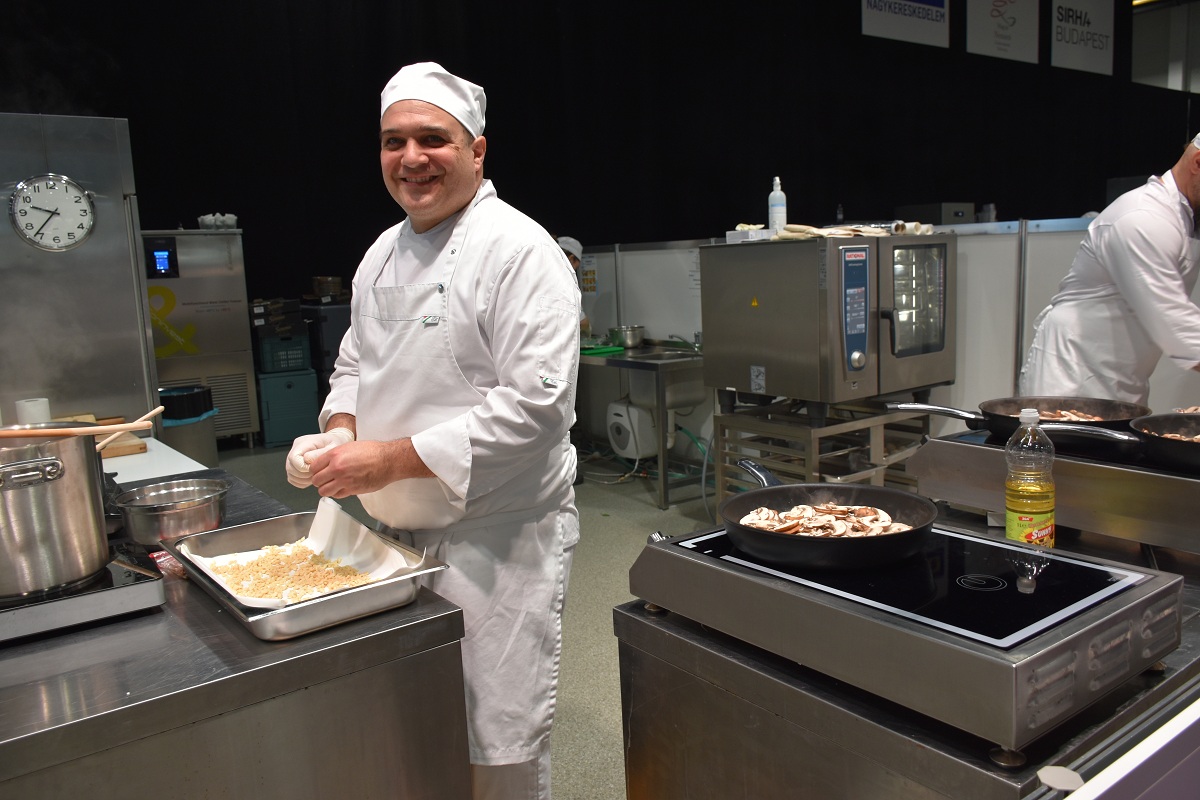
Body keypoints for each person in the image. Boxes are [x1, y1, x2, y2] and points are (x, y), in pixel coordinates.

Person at [284, 62, 581, 800]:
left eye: (432, 139)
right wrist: (340, 431)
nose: (411, 158)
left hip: (495, 540)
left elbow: (536, 410)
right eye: (394, 142)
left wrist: (388, 460)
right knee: (417, 727)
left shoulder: (520, 252)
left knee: (496, 739)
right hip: (394, 539)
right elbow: (355, 363)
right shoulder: (381, 253)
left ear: (476, 151)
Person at [1019, 134, 1200, 405]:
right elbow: (1175, 322)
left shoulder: (1183, 218)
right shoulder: (1142, 218)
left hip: (1124, 380)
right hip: (1071, 379)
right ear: (1197, 162)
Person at [557, 235, 590, 336]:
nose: (575, 270)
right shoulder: (564, 279)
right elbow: (582, 322)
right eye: (577, 266)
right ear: (571, 259)